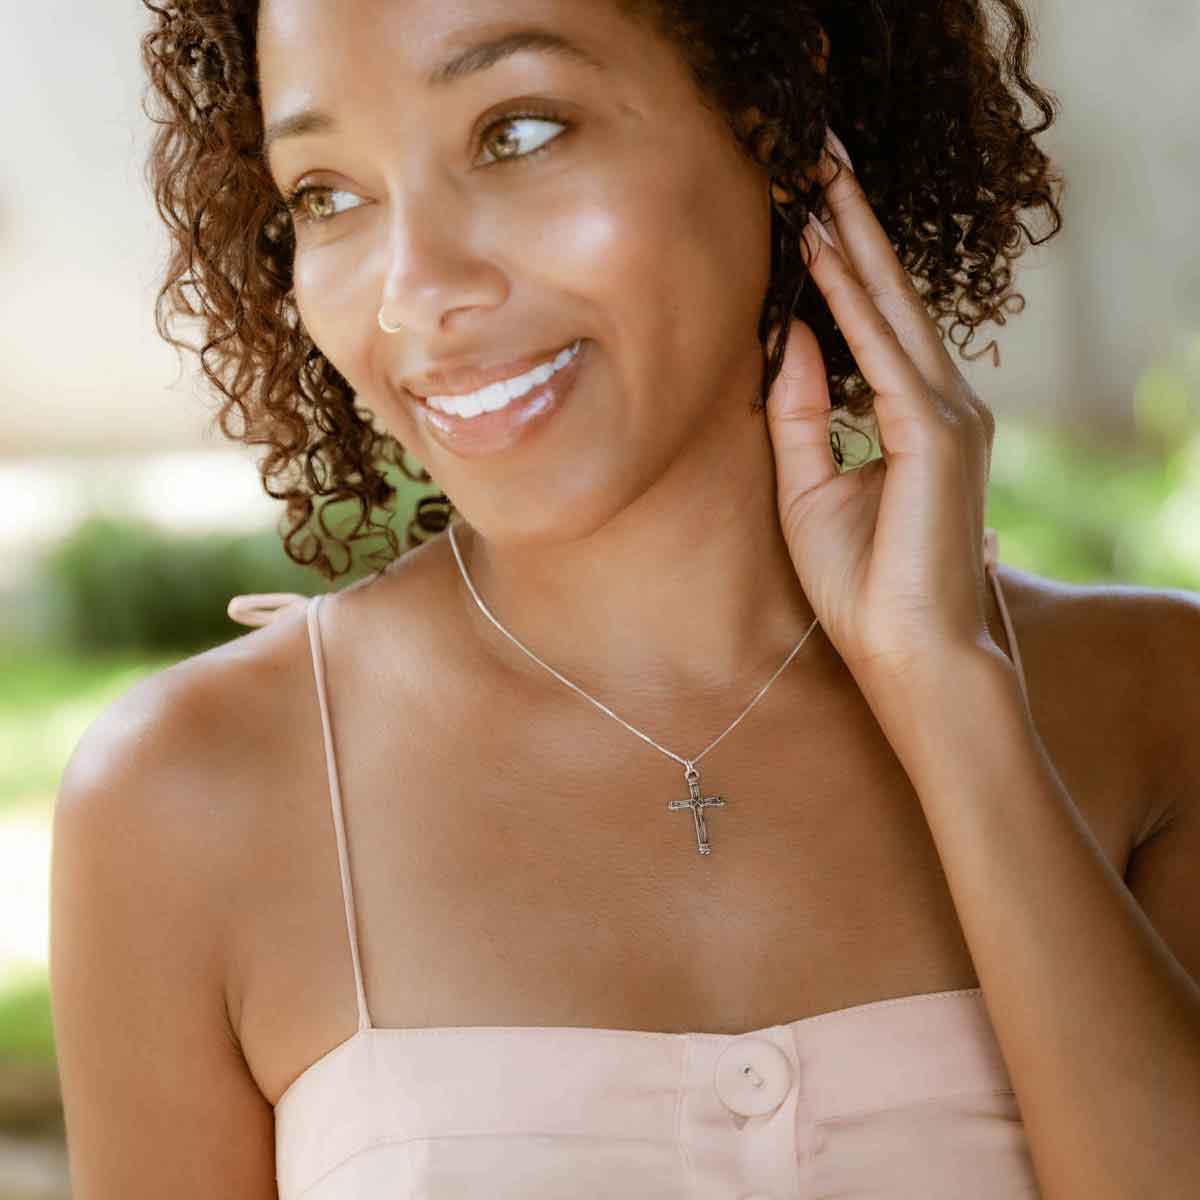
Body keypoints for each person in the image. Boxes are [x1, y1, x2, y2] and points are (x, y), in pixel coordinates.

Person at [49, 1, 1200, 1197]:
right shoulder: (190, 797)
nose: (417, 291)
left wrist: (948, 691)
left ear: (770, 110)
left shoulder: (1152, 709)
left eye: (519, 131)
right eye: (326, 193)